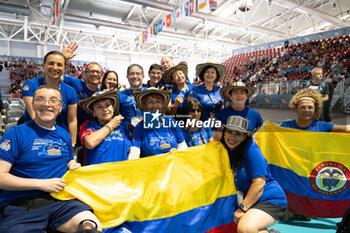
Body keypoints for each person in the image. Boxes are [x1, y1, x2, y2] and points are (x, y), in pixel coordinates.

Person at [0, 86, 102, 233]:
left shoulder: (64, 134)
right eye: (41, 99)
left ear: (60, 107)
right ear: (33, 104)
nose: (47, 104)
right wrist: (42, 184)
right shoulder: (15, 133)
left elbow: (66, 162)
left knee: (90, 226)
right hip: (21, 204)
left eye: (53, 100)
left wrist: (72, 164)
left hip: (61, 201)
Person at [221, 115, 287, 233]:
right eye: (229, 132)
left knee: (245, 228)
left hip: (270, 199)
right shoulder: (227, 150)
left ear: (244, 136)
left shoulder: (251, 148)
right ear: (224, 132)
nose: (232, 136)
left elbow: (259, 183)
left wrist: (242, 209)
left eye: (238, 133)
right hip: (251, 200)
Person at [22, 51, 78, 147]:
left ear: (64, 68)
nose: (55, 68)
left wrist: (72, 144)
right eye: (51, 63)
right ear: (44, 66)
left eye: (59, 65)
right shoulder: (30, 85)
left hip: (60, 138)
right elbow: (34, 115)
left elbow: (72, 121)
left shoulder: (70, 91)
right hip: (34, 134)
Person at [128, 88, 187, 159]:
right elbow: (134, 151)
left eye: (158, 102)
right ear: (144, 106)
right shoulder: (140, 127)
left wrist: (177, 152)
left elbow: (182, 145)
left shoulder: (171, 122)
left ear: (163, 105)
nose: (155, 105)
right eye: (150, 102)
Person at [78, 90, 131, 165]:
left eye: (108, 105)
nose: (105, 109)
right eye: (99, 107)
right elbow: (90, 143)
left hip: (121, 173)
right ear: (94, 113)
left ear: (113, 108)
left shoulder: (123, 125)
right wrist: (111, 125)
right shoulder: (89, 125)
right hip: (97, 174)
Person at [281, 88, 350, 132]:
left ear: (315, 109)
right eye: (302, 107)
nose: (307, 110)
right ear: (296, 108)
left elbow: (347, 128)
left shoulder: (322, 126)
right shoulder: (286, 126)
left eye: (310, 107)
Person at [62, 62, 103, 127]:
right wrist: (64, 58)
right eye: (92, 71)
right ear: (85, 73)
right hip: (68, 128)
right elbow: (57, 76)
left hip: (87, 131)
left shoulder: (101, 95)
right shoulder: (75, 83)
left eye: (98, 72)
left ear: (101, 75)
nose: (95, 74)